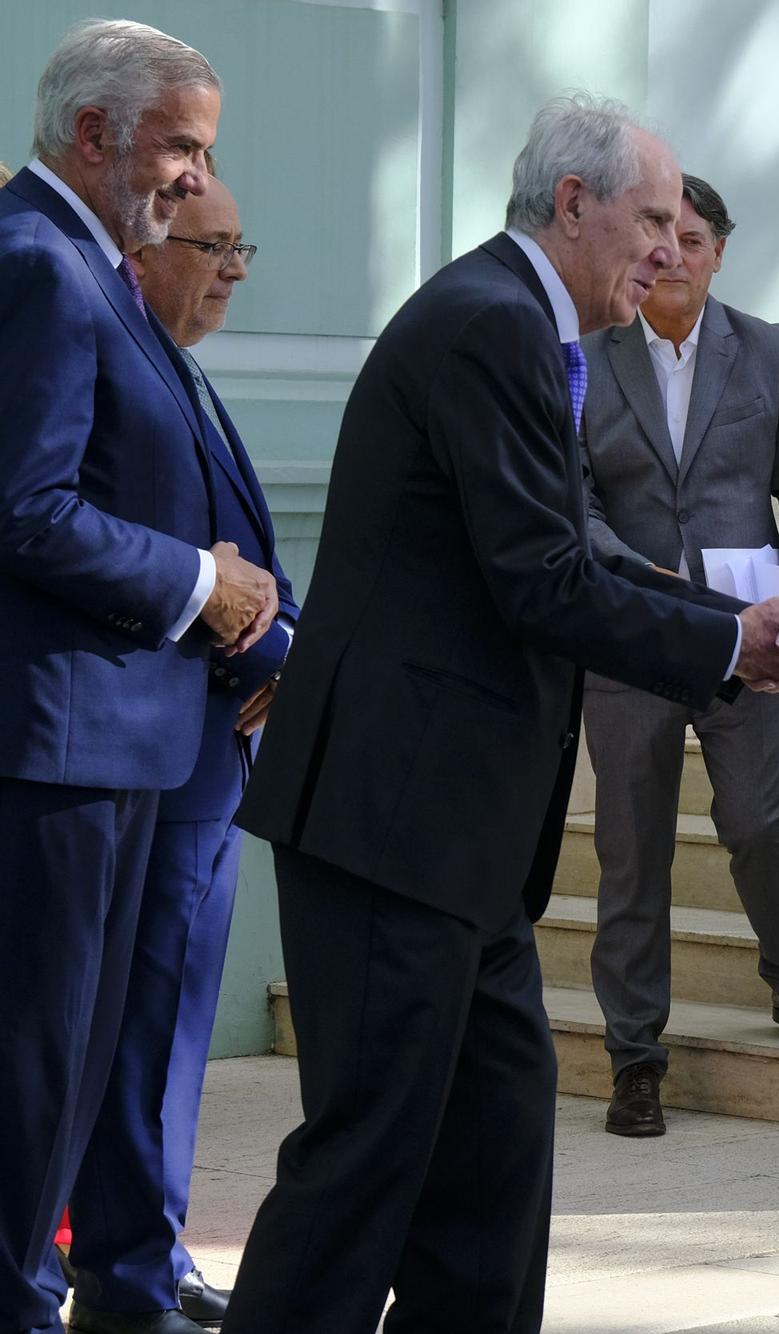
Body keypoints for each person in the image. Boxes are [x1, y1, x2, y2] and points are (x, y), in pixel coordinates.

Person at [222, 95, 779, 1333]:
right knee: (365, 1170)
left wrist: (739, 626)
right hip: (391, 828)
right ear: (574, 205)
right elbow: (544, 579)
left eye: (679, 226)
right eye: (653, 220)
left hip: (458, 846)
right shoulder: (490, 326)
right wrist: (725, 641)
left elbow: (566, 551)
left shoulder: (525, 325)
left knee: (496, 1170)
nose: (672, 250)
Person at [0, 22, 280, 1334]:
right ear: (95, 132)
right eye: (181, 146)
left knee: (66, 1080)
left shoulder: (88, 266)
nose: (191, 177)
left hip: (117, 749)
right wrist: (195, 582)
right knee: (34, 1078)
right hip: (56, 750)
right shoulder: (41, 265)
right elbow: (22, 506)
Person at [65, 164, 294, 1334]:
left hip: (205, 752)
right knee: (139, 1032)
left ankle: (140, 1251)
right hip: (156, 744)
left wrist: (284, 642)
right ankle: (126, 1271)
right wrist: (250, 647)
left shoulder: (183, 376)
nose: (232, 272)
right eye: (213, 248)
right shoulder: (112, 366)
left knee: (168, 1033)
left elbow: (250, 550)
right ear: (145, 255)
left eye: (242, 247)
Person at [580, 174, 779, 1138]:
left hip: (750, 642)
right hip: (631, 640)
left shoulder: (770, 353)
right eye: (662, 236)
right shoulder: (586, 356)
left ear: (719, 251)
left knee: (760, 825)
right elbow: (575, 505)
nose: (675, 255)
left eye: (694, 239)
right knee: (631, 851)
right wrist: (632, 571)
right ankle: (635, 1058)